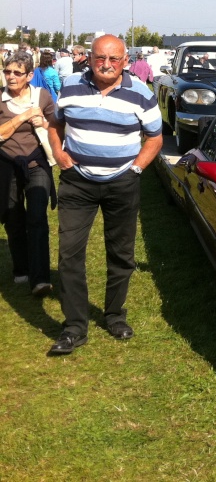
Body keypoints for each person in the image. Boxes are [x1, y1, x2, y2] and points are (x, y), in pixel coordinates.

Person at [47, 35, 163, 355]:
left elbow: (154, 138)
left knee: (121, 253)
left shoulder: (141, 93)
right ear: (90, 58)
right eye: (100, 58)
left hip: (121, 184)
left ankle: (114, 315)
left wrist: (136, 170)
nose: (106, 65)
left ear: (125, 61)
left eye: (114, 59)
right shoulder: (70, 85)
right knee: (69, 253)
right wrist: (59, 153)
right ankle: (74, 327)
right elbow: (55, 125)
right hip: (77, 183)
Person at [0, 51, 57, 297]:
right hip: (6, 164)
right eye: (6, 71)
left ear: (30, 75)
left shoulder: (42, 96)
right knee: (13, 218)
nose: (10, 77)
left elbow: (58, 127)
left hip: (36, 164)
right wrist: (23, 116)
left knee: (36, 217)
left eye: (16, 73)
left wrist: (43, 122)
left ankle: (41, 278)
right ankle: (21, 268)